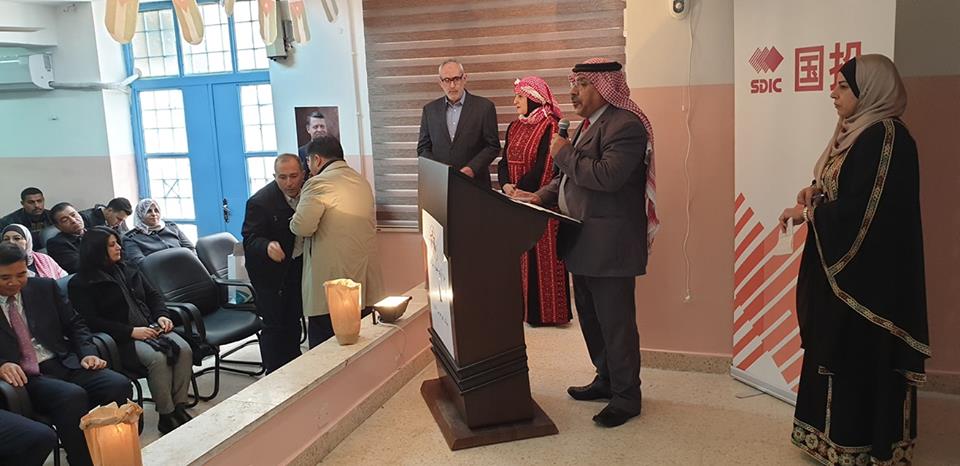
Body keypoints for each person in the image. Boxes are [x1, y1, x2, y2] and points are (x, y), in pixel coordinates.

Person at [777, 55, 929, 465]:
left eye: (843, 87)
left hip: (868, 279)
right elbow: (843, 189)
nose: (833, 94)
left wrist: (812, 212)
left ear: (871, 90)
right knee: (834, 347)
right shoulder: (854, 133)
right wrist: (815, 194)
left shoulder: (887, 135)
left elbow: (866, 210)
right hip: (840, 270)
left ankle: (860, 447)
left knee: (857, 352)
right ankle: (825, 439)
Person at [511, 58, 659, 428]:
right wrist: (538, 197)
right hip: (581, 240)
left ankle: (627, 397)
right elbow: (566, 179)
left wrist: (562, 151)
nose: (573, 91)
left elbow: (607, 177)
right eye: (573, 84)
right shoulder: (587, 125)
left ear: (605, 86)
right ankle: (606, 379)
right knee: (592, 321)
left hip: (611, 246)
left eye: (582, 84)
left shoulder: (627, 125)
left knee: (616, 325)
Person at [0, 242, 132, 466]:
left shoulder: (43, 287)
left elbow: (75, 324)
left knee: (117, 384)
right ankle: (83, 461)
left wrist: (88, 353)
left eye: (21, 274)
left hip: (62, 361)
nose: (14, 282)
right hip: (24, 376)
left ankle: (116, 455)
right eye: (5, 278)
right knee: (71, 396)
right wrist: (2, 363)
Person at [69, 226, 194, 435]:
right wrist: (130, 332)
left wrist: (162, 315)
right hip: (121, 339)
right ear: (97, 250)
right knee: (158, 358)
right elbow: (91, 321)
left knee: (184, 349)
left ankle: (179, 405)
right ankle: (166, 413)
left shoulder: (127, 267)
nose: (118, 247)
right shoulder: (81, 283)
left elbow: (153, 295)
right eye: (112, 245)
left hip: (150, 327)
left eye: (117, 242)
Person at [290, 136, 385, 348]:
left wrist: (293, 218)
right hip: (362, 278)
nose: (308, 167)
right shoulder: (361, 181)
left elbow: (302, 227)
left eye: (307, 162)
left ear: (317, 160)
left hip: (333, 282)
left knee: (327, 346)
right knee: (361, 340)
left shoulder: (318, 183)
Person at [497, 76, 571, 326]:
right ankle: (522, 312)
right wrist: (506, 185)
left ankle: (546, 315)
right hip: (514, 202)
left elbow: (544, 168)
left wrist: (521, 191)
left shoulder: (552, 126)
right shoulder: (514, 126)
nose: (515, 101)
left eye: (519, 96)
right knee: (519, 257)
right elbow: (504, 162)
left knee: (542, 258)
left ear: (533, 98)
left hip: (541, 203)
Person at [242, 154, 306, 373]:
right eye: (282, 177)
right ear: (274, 176)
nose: (289, 183)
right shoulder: (260, 202)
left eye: (293, 176)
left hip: (296, 265)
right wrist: (267, 245)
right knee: (274, 324)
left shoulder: (309, 192)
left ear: (303, 174)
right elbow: (250, 238)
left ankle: (294, 364)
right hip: (269, 274)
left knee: (293, 318)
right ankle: (274, 372)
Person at [417, 59, 501, 188]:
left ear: (464, 78)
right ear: (440, 82)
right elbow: (423, 149)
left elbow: (493, 146)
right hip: (440, 184)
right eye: (447, 80)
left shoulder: (484, 107)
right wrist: (440, 170)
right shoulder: (429, 110)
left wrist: (471, 169)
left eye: (456, 79)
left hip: (476, 184)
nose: (452, 85)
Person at [122, 199, 195, 267]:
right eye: (149, 211)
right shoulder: (131, 237)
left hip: (185, 266)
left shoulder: (171, 226)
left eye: (156, 210)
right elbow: (139, 262)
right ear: (140, 214)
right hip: (158, 272)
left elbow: (190, 247)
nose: (154, 214)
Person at [1, 224, 67, 279]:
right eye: (6, 239)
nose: (11, 242)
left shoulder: (43, 258)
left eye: (17, 238)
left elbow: (64, 278)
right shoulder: (2, 265)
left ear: (27, 241)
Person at [45, 202, 87, 274]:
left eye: (73, 215)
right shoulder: (56, 244)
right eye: (65, 220)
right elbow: (79, 266)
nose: (73, 220)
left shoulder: (96, 232)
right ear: (58, 227)